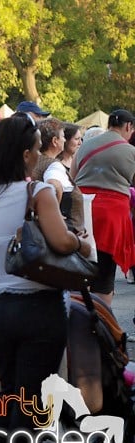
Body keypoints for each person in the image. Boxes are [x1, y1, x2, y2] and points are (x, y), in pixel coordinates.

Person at [0, 113, 90, 443]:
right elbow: (62, 242)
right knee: (30, 404)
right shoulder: (37, 193)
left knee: (6, 398)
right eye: (37, 149)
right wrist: (82, 241)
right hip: (38, 311)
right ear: (24, 154)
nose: (39, 156)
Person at [71, 109, 135, 306]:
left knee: (83, 265)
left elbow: (73, 176)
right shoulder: (130, 151)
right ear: (128, 126)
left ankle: (80, 314)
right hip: (111, 215)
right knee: (105, 272)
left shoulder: (85, 145)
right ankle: (102, 320)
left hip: (83, 211)